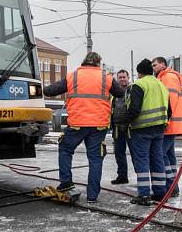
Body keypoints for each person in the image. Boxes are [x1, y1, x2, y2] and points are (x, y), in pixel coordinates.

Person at [43, 52, 124, 203]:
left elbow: (50, 91)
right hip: (99, 126)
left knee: (66, 149)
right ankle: (92, 196)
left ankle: (66, 182)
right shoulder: (106, 77)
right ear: (98, 63)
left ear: (84, 62)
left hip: (77, 124)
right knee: (95, 159)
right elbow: (120, 93)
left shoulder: (73, 76)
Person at [114, 59, 169, 206]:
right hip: (159, 129)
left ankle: (144, 194)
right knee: (158, 160)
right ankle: (160, 193)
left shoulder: (139, 85)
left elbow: (134, 109)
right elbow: (169, 110)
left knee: (142, 160)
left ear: (139, 73)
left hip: (142, 129)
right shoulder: (161, 84)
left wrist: (124, 121)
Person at [152, 57, 182, 196]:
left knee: (160, 155)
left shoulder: (167, 77)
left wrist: (163, 120)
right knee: (169, 156)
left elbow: (169, 102)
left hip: (170, 123)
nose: (153, 67)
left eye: (155, 65)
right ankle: (173, 187)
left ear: (163, 64)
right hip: (173, 123)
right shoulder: (169, 77)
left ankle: (170, 187)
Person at [111, 69, 132, 184]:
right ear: (117, 79)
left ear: (128, 78)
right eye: (120, 77)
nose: (122, 79)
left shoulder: (133, 90)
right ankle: (122, 176)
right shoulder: (113, 92)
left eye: (124, 77)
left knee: (135, 153)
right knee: (119, 154)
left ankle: (141, 177)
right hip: (117, 127)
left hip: (130, 128)